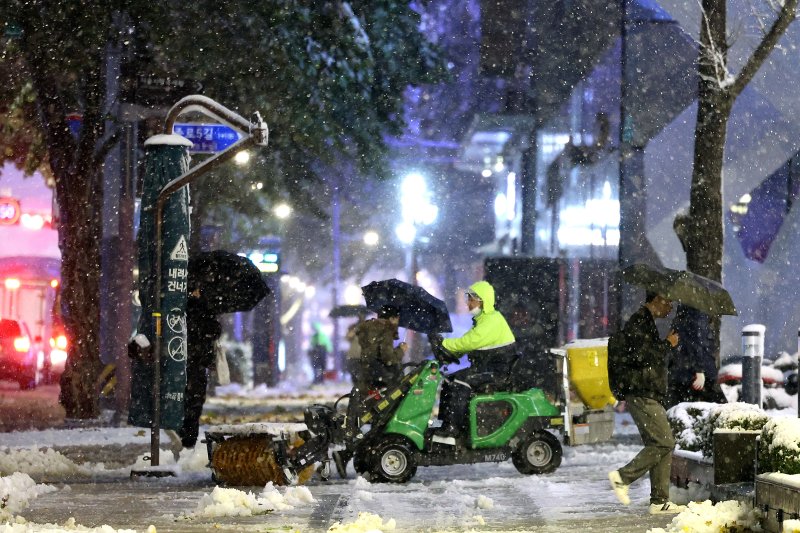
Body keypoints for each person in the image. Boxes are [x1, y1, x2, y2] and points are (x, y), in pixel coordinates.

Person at [607, 291, 686, 515]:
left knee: (660, 445)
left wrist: (665, 345)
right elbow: (641, 357)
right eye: (667, 301)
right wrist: (667, 345)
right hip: (642, 392)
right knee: (663, 443)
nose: (670, 306)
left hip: (648, 392)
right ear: (655, 300)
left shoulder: (645, 322)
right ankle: (622, 478)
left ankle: (659, 501)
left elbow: (645, 355)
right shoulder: (639, 322)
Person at [436, 281, 516, 439]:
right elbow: (467, 344)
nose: (468, 303)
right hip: (486, 369)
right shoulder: (484, 320)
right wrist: (448, 355)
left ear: (482, 300)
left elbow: (470, 342)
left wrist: (443, 344)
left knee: (460, 380)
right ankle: (447, 423)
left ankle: (453, 428)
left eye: (471, 299)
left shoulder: (492, 320)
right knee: (450, 379)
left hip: (496, 373)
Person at [335, 306, 407, 477]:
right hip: (380, 381)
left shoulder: (368, 328)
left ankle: (356, 454)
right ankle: (352, 453)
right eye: (397, 318)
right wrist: (401, 351)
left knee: (367, 417)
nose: (398, 322)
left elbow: (370, 353)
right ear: (392, 318)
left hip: (367, 378)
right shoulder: (386, 330)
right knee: (380, 418)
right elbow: (388, 358)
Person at [179, 290, 223, 448]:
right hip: (193, 360)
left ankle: (187, 435)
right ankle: (187, 436)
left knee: (192, 399)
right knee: (193, 399)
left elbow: (214, 331)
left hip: (192, 360)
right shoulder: (195, 307)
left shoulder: (201, 307)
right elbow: (214, 331)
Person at [667, 304, 726, 407]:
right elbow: (696, 341)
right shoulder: (698, 312)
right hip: (697, 371)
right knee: (722, 409)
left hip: (683, 369)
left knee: (679, 409)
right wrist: (699, 369)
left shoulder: (684, 309)